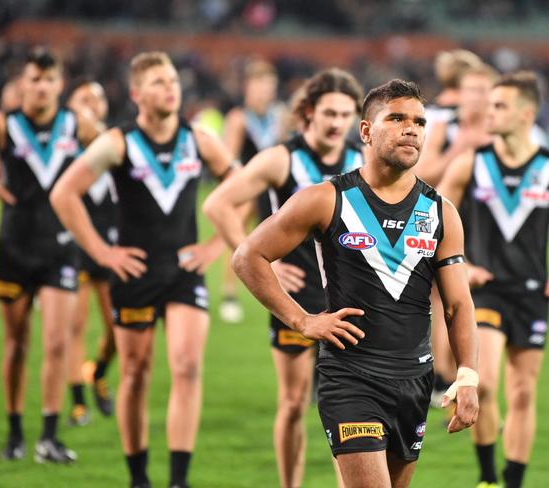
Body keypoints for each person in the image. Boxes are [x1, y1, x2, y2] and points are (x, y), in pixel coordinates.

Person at [232, 79, 480, 488]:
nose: (411, 129)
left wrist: (468, 375)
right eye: (396, 118)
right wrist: (302, 320)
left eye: (419, 121)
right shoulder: (326, 199)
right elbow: (248, 257)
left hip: (414, 380)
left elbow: (457, 306)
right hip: (351, 377)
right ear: (365, 131)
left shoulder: (441, 212)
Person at [51, 51, 236, 488]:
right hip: (133, 274)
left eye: (172, 80)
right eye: (157, 82)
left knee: (188, 367)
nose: (169, 87)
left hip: (183, 272)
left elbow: (244, 187)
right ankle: (138, 477)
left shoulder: (200, 139)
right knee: (134, 373)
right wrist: (101, 252)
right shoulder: (118, 142)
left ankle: (178, 479)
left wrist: (215, 246)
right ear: (136, 94)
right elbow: (64, 194)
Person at [203, 67, 364, 488]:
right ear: (307, 112)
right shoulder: (282, 158)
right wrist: (265, 263)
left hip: (348, 300)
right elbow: (218, 204)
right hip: (294, 298)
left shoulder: (361, 163)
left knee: (350, 409)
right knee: (293, 403)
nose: (336, 123)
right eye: (329, 112)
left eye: (345, 114)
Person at [0, 47, 100, 463]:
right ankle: (14, 432)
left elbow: (112, 157)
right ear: (22, 84)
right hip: (14, 247)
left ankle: (48, 437)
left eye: (49, 79)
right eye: (34, 79)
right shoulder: (3, 124)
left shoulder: (77, 124)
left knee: (57, 342)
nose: (42, 86)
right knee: (16, 345)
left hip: (60, 248)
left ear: (60, 84)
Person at [438, 71, 548, 488]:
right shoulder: (472, 162)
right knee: (483, 384)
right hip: (484, 292)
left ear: (526, 114)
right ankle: (487, 478)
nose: (489, 111)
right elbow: (433, 219)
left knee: (523, 393)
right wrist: (459, 266)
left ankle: (513, 482)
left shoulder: (547, 166)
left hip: (533, 294)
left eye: (500, 105)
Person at [416, 64, 499, 409]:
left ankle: (466, 378)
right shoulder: (443, 127)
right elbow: (422, 173)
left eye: (484, 91)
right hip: (442, 217)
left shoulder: (500, 133)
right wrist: (457, 150)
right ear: (460, 93)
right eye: (471, 90)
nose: (477, 98)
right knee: (440, 298)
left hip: (488, 228)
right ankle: (444, 376)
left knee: (475, 301)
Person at [65, 78, 117, 425]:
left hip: (113, 250)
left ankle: (96, 371)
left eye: (97, 98)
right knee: (75, 325)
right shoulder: (65, 150)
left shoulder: (118, 146)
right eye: (84, 98)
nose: (92, 104)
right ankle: (78, 402)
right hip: (76, 247)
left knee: (116, 330)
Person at [218, 60, 286, 323]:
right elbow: (229, 158)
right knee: (236, 235)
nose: (265, 92)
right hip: (247, 187)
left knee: (278, 237)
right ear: (248, 87)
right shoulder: (238, 118)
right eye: (260, 86)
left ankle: (278, 288)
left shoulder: (278, 116)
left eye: (270, 86)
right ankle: (229, 293)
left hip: (273, 185)